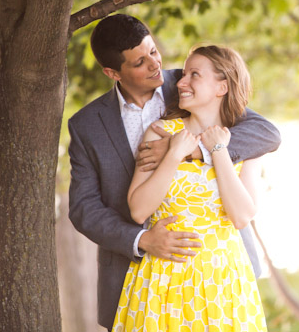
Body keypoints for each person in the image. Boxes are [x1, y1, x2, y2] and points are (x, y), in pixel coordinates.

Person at [68, 14, 280, 330]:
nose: (155, 66)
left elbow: (265, 133)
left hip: (222, 276)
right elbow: (85, 209)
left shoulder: (188, 83)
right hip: (148, 277)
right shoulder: (87, 125)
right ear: (113, 72)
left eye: (153, 51)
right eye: (140, 62)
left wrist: (193, 149)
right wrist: (141, 239)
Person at [113, 44, 267, 331]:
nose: (181, 83)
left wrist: (217, 151)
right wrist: (173, 153)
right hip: (163, 278)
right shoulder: (161, 132)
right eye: (183, 74)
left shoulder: (247, 143)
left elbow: (241, 217)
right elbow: (138, 210)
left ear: (222, 86)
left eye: (194, 75)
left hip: (222, 280)